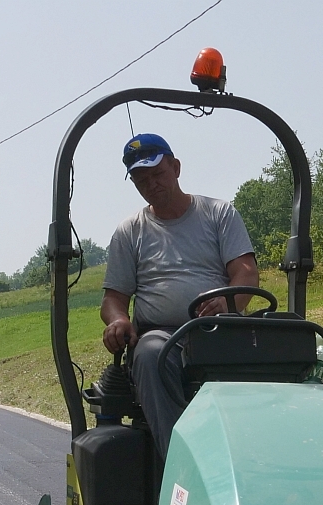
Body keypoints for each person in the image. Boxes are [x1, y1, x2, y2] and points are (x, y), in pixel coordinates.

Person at [101, 133, 259, 455]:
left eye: (157, 173)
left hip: (219, 328)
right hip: (162, 336)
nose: (151, 184)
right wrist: (118, 320)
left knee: (275, 353)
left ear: (175, 168)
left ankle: (258, 455)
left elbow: (246, 273)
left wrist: (227, 301)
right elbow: (113, 299)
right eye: (141, 179)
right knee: (149, 354)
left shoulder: (218, 214)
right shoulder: (130, 231)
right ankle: (182, 462)